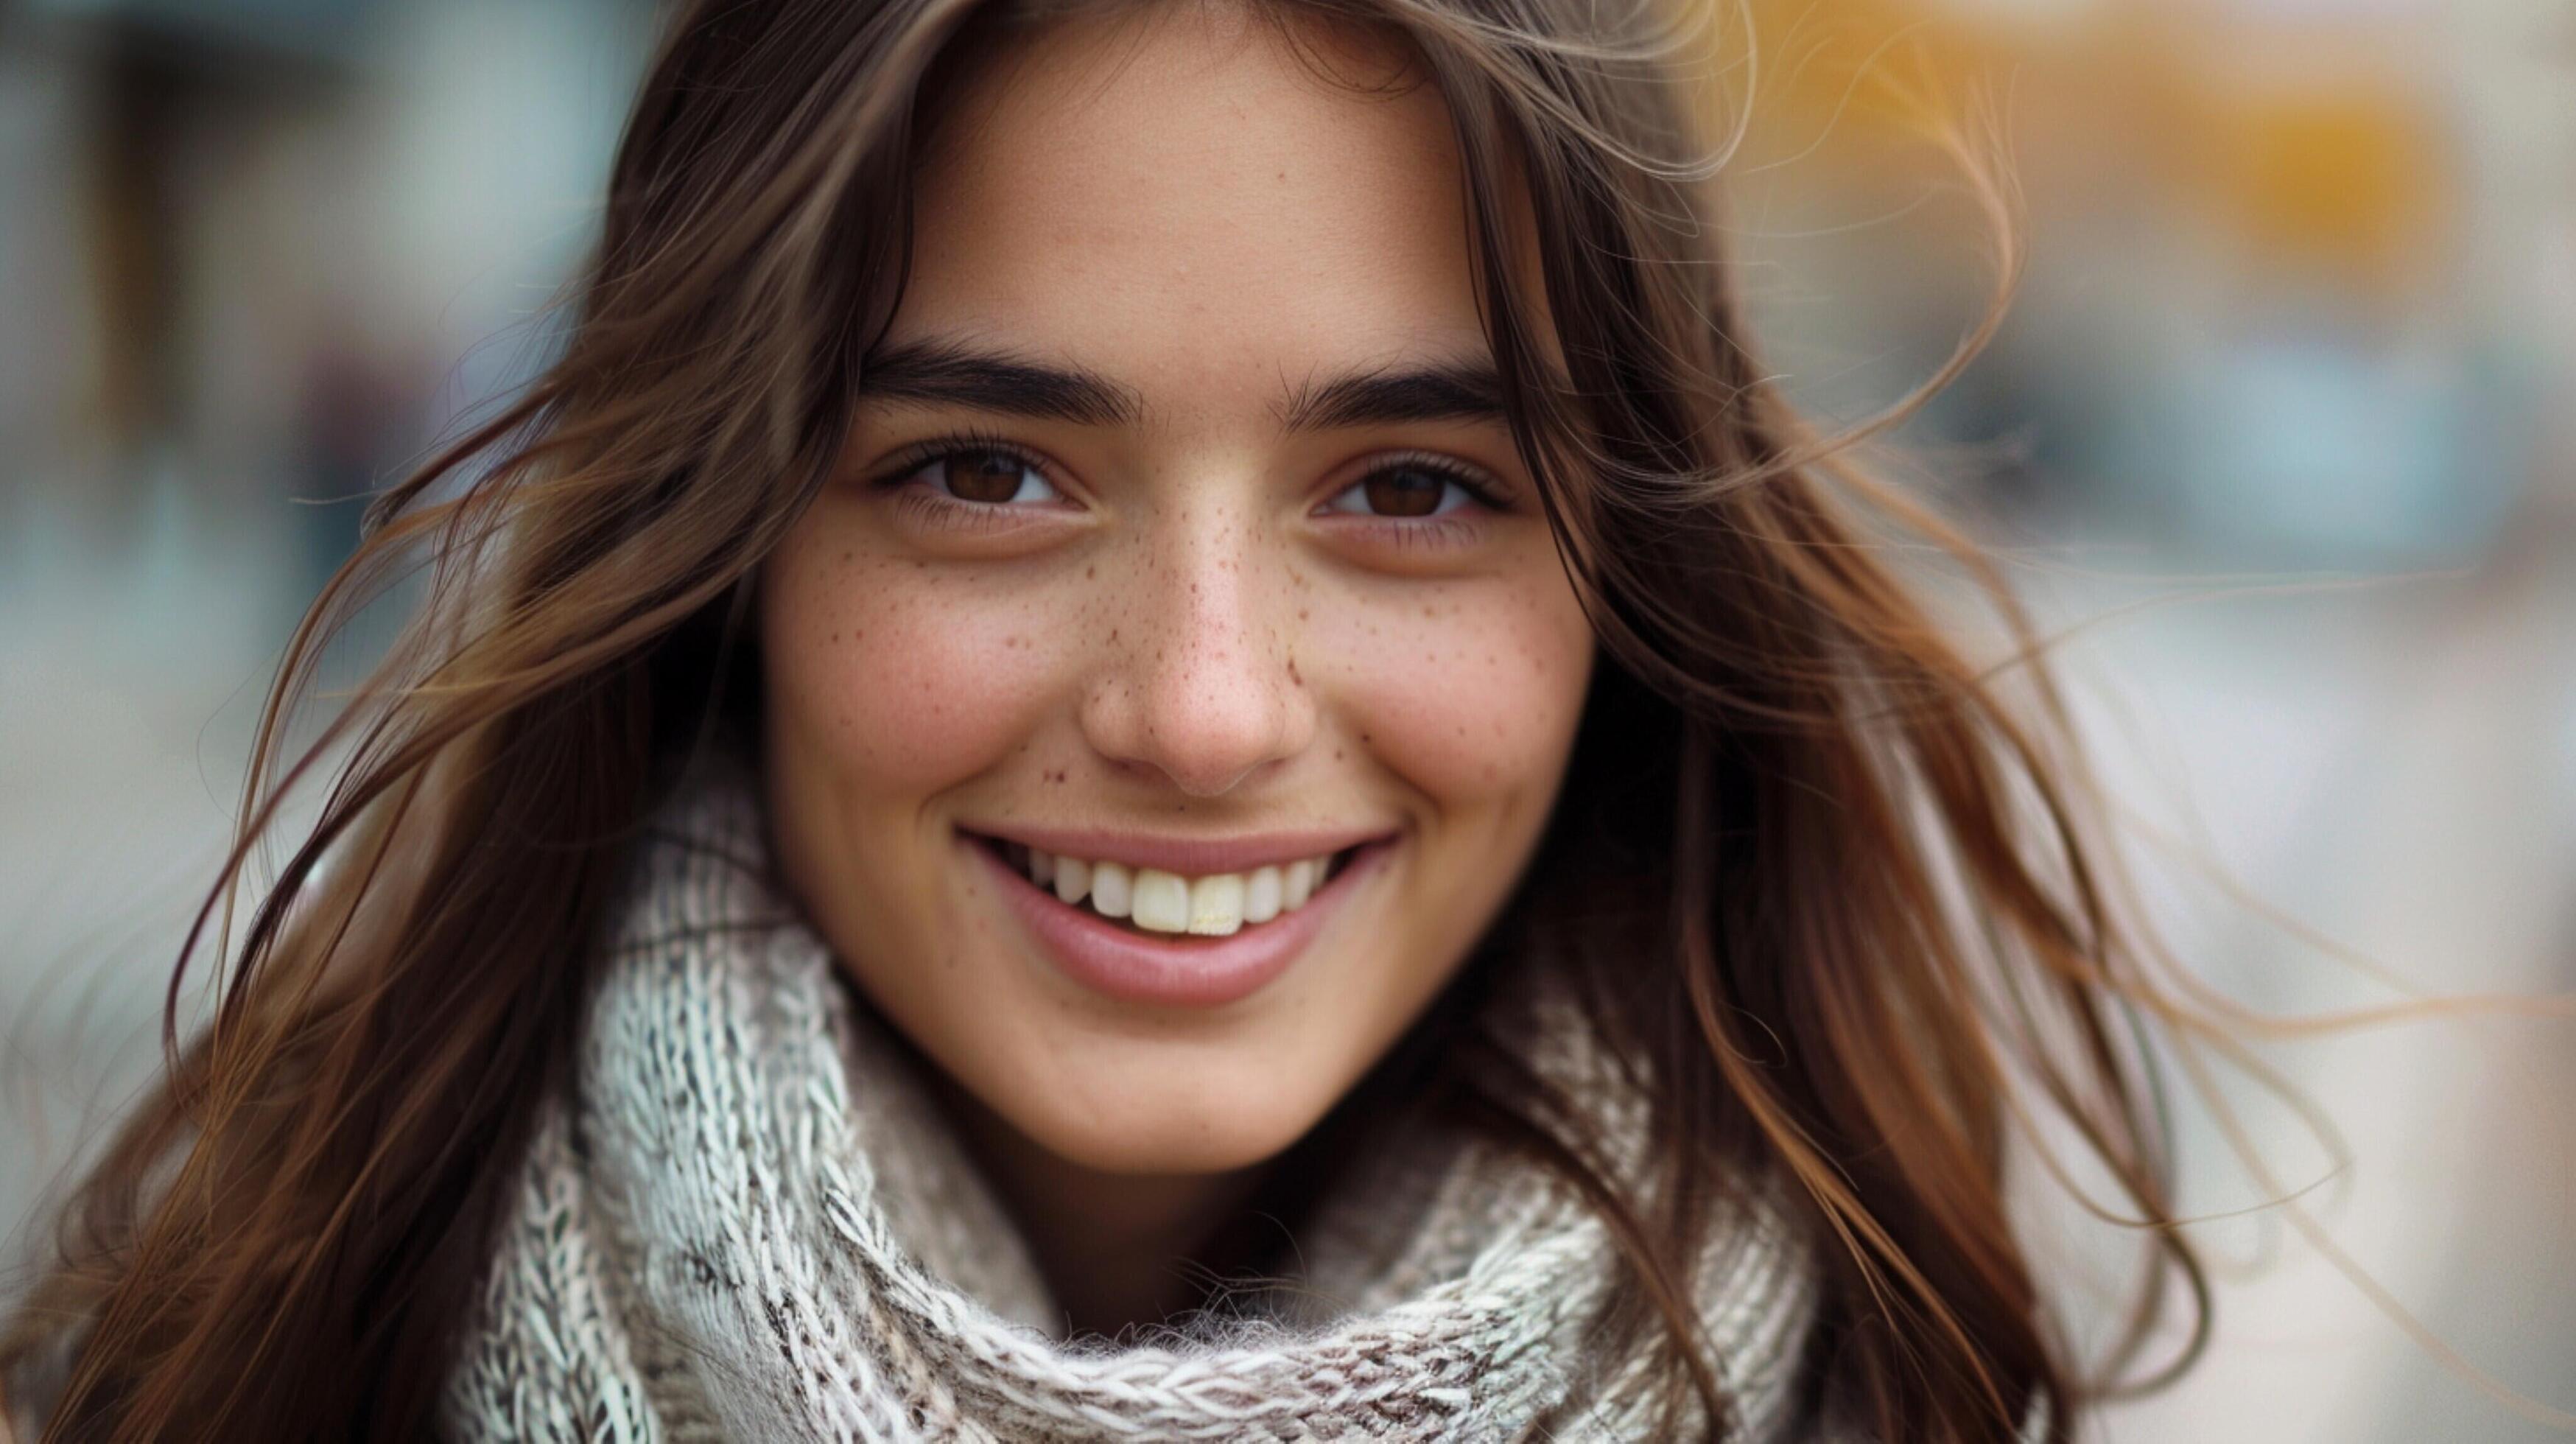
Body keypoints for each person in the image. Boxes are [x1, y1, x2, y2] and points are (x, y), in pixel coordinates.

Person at [1, 0, 2205, 1437]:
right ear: (732, 547)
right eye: (985, 472)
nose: (1205, 711)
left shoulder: (1893, 1386)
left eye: (1414, 489)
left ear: (1624, 591)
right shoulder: (217, 1380)